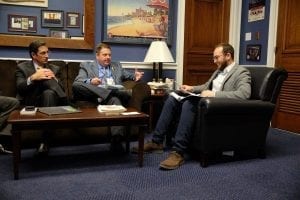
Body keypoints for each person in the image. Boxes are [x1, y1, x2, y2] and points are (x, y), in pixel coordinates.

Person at [133, 43, 251, 170]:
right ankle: (156, 142)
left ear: (228, 55)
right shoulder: (219, 71)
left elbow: (244, 94)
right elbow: (206, 86)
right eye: (214, 58)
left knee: (189, 103)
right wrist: (191, 88)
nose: (214, 61)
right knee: (172, 98)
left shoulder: (241, 72)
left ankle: (178, 152)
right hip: (205, 103)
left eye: (217, 57)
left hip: (218, 108)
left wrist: (214, 94)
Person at [72, 42, 144, 152]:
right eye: (105, 55)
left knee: (116, 100)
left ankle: (117, 139)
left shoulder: (117, 66)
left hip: (110, 99)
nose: (108, 57)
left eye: (109, 55)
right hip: (94, 96)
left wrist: (136, 76)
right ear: (97, 56)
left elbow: (128, 75)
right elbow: (79, 80)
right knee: (76, 85)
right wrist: (91, 81)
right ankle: (108, 92)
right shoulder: (86, 65)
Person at [15, 40, 67, 156]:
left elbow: (63, 88)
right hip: (32, 100)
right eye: (43, 53)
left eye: (48, 52)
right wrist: (33, 77)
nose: (47, 56)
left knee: (49, 92)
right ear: (33, 55)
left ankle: (45, 141)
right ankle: (66, 102)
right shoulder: (22, 67)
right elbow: (20, 88)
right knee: (44, 80)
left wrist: (55, 79)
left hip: (50, 100)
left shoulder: (55, 68)